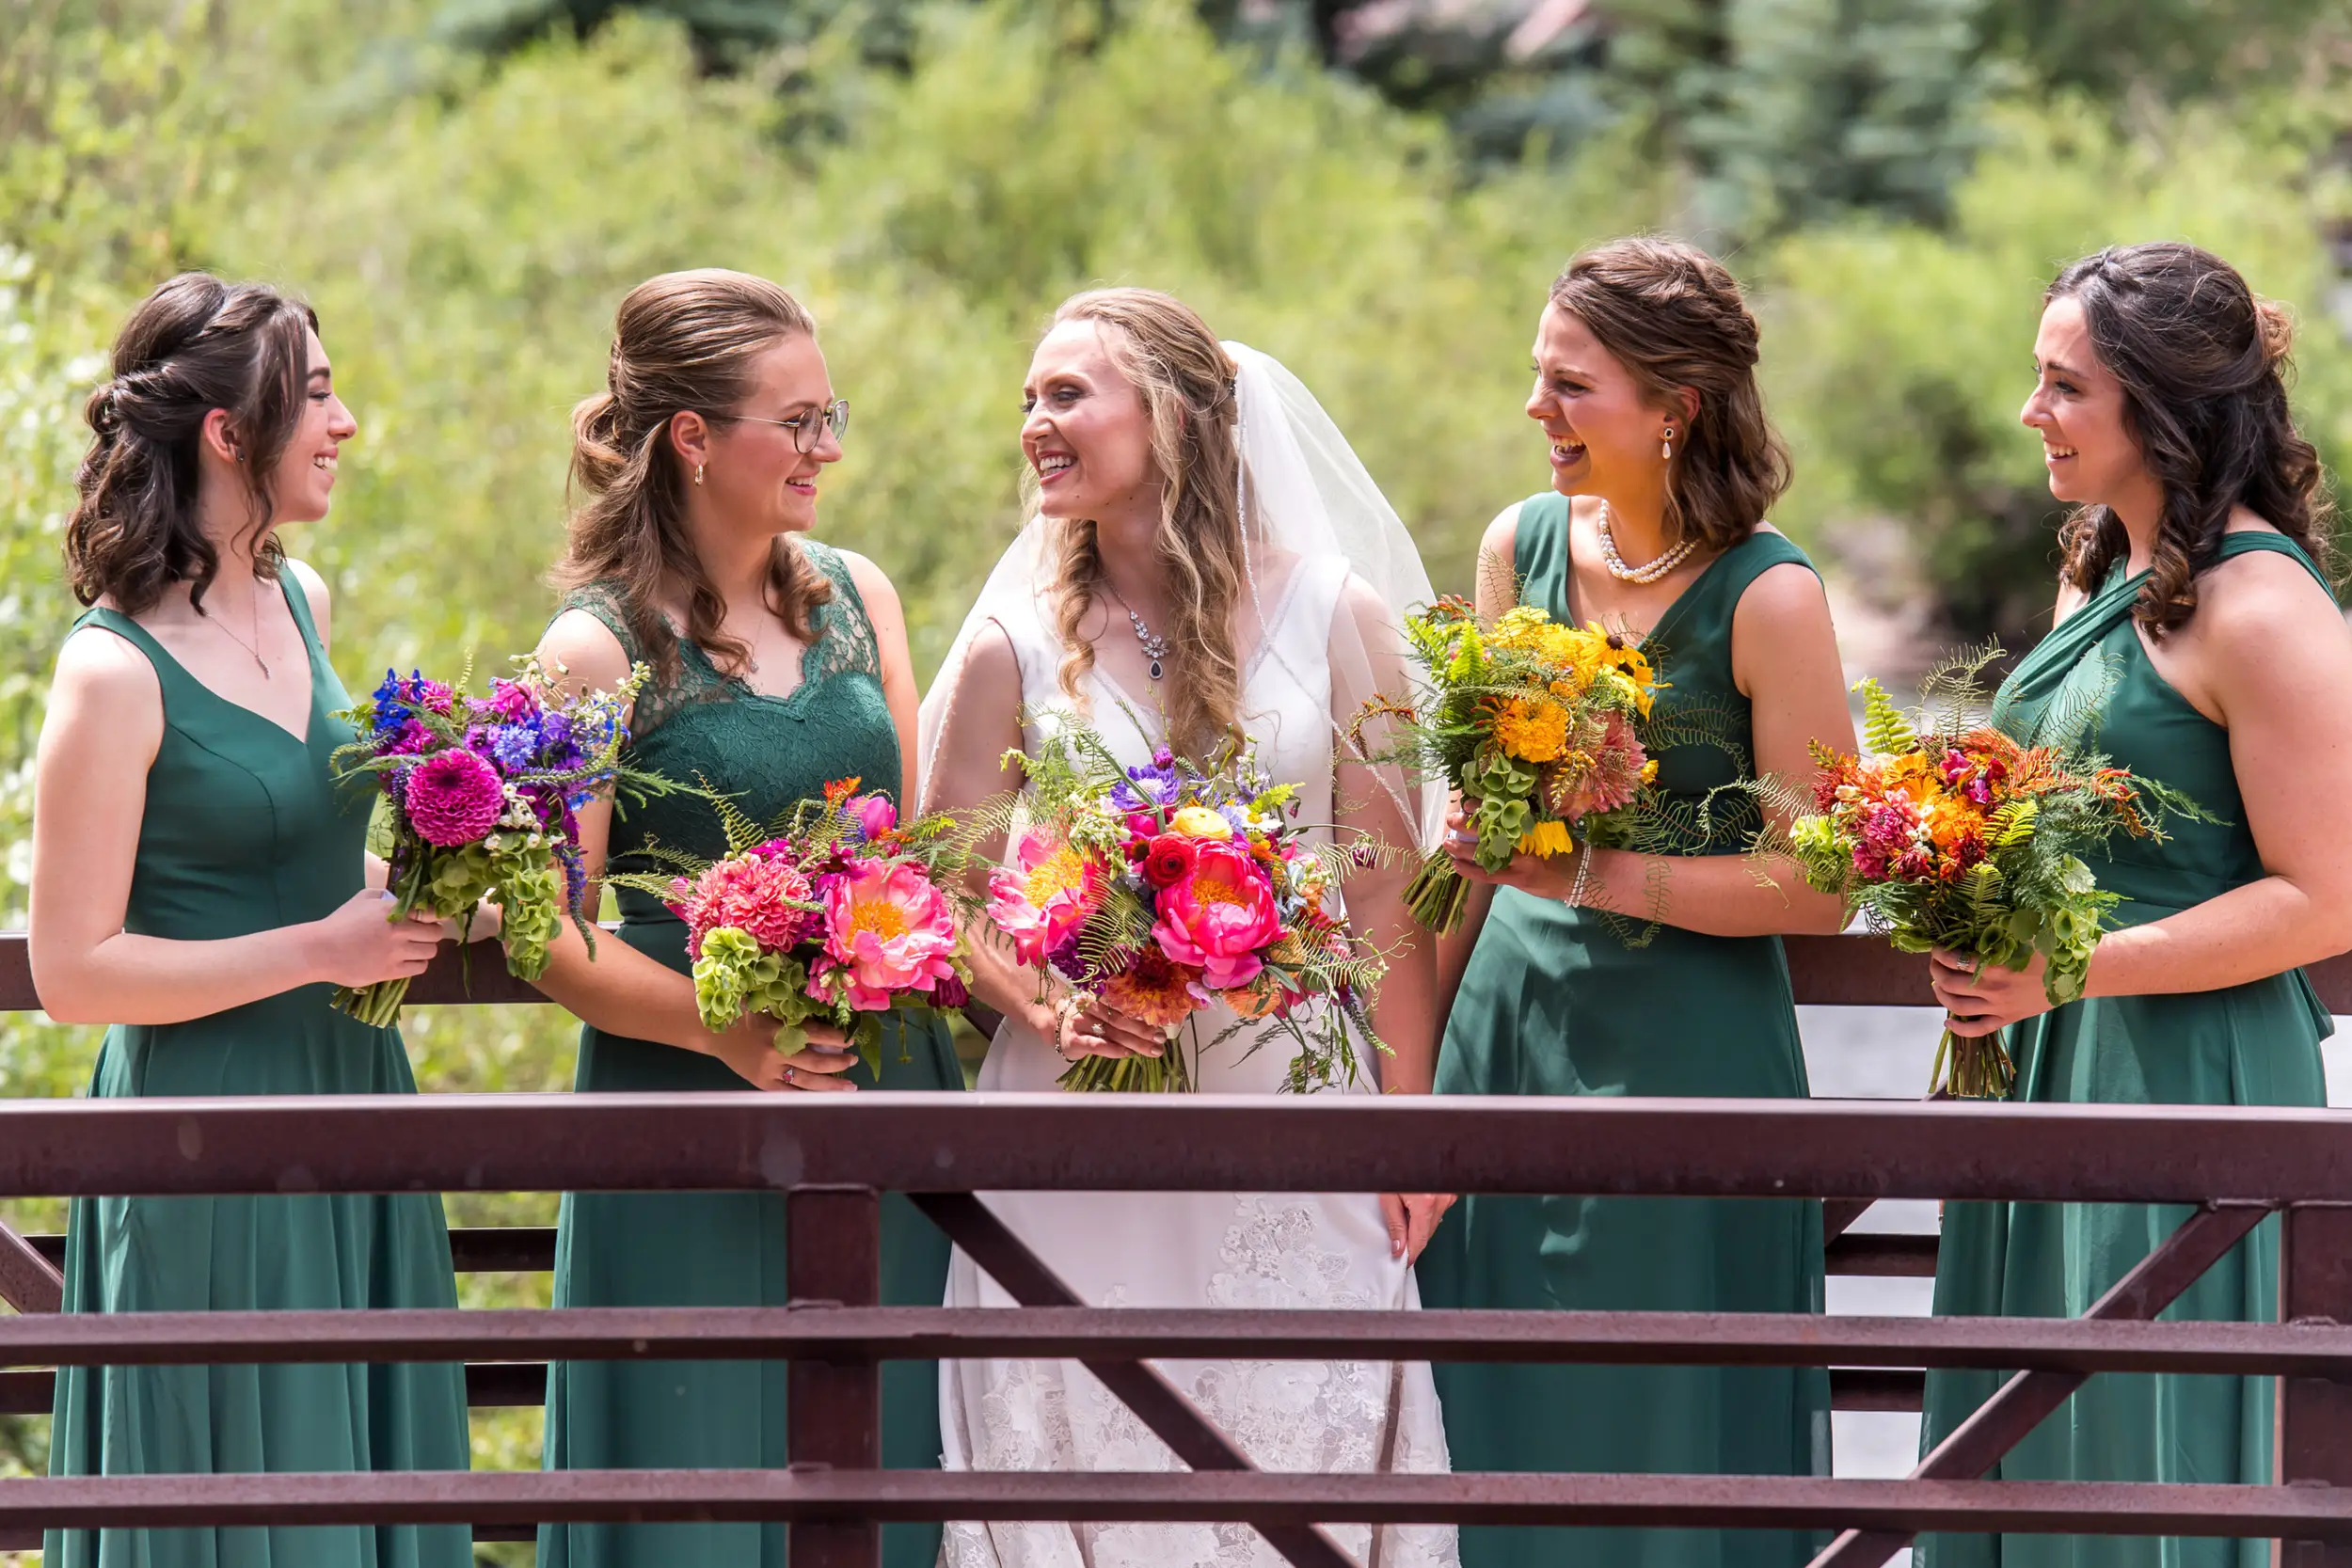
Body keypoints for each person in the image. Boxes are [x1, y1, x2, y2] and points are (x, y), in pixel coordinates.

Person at [919, 286, 1458, 1568]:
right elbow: (937, 893)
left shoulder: (1341, 619)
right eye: (1029, 400)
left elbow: (1384, 893)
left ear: (1169, 414)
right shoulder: (1008, 647)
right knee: (1088, 1458)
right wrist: (1047, 1000)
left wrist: (1415, 1121)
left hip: (1293, 1106)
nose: (1036, 424)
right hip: (1073, 1119)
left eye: (1068, 395)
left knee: (1295, 1469)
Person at [1414, 237, 1852, 1568]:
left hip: (1687, 1057)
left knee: (1662, 1425)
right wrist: (1404, 1093)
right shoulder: (1517, 544)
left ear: (1677, 409)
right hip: (1502, 1046)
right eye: (1539, 378)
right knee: (1488, 1404)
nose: (1536, 411)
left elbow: (1826, 885)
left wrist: (1595, 871)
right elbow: (1469, 853)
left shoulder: (1772, 597)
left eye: (1569, 385)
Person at [1918, 242, 2351, 1568]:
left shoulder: (2265, 608)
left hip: (2185, 1074)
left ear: (2162, 409)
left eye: (2064, 386)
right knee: (2027, 1442)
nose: (2030, 411)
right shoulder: (2104, 559)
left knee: (2134, 1452)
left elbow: (2332, 897)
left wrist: (2074, 963)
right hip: (2054, 1049)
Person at [30, 272, 471, 1568]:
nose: (345, 425)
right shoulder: (111, 671)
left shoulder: (305, 599)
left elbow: (302, 838)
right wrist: (321, 949)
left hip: (352, 1090)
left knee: (359, 1474)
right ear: (227, 432)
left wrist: (432, 867)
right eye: (319, 395)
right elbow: (71, 970)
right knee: (238, 1492)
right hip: (201, 1134)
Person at [531, 269, 958, 1568]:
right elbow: (544, 930)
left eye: (833, 415)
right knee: (700, 1479)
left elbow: (926, 845)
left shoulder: (858, 592)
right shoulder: (592, 654)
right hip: (688, 1122)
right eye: (799, 421)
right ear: (693, 438)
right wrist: (721, 1034)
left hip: (891, 1093)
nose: (828, 449)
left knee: (895, 1467)